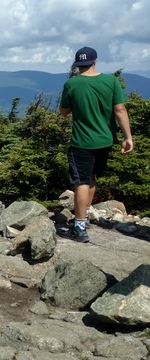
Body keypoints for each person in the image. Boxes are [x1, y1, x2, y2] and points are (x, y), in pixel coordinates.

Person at [58, 46, 133, 242]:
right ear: (95, 61)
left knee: (81, 182)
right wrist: (128, 137)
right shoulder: (110, 81)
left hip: (82, 141)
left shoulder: (72, 84)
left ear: (77, 65)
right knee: (91, 178)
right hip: (105, 140)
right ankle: (85, 217)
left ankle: (79, 227)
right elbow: (120, 110)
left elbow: (63, 112)